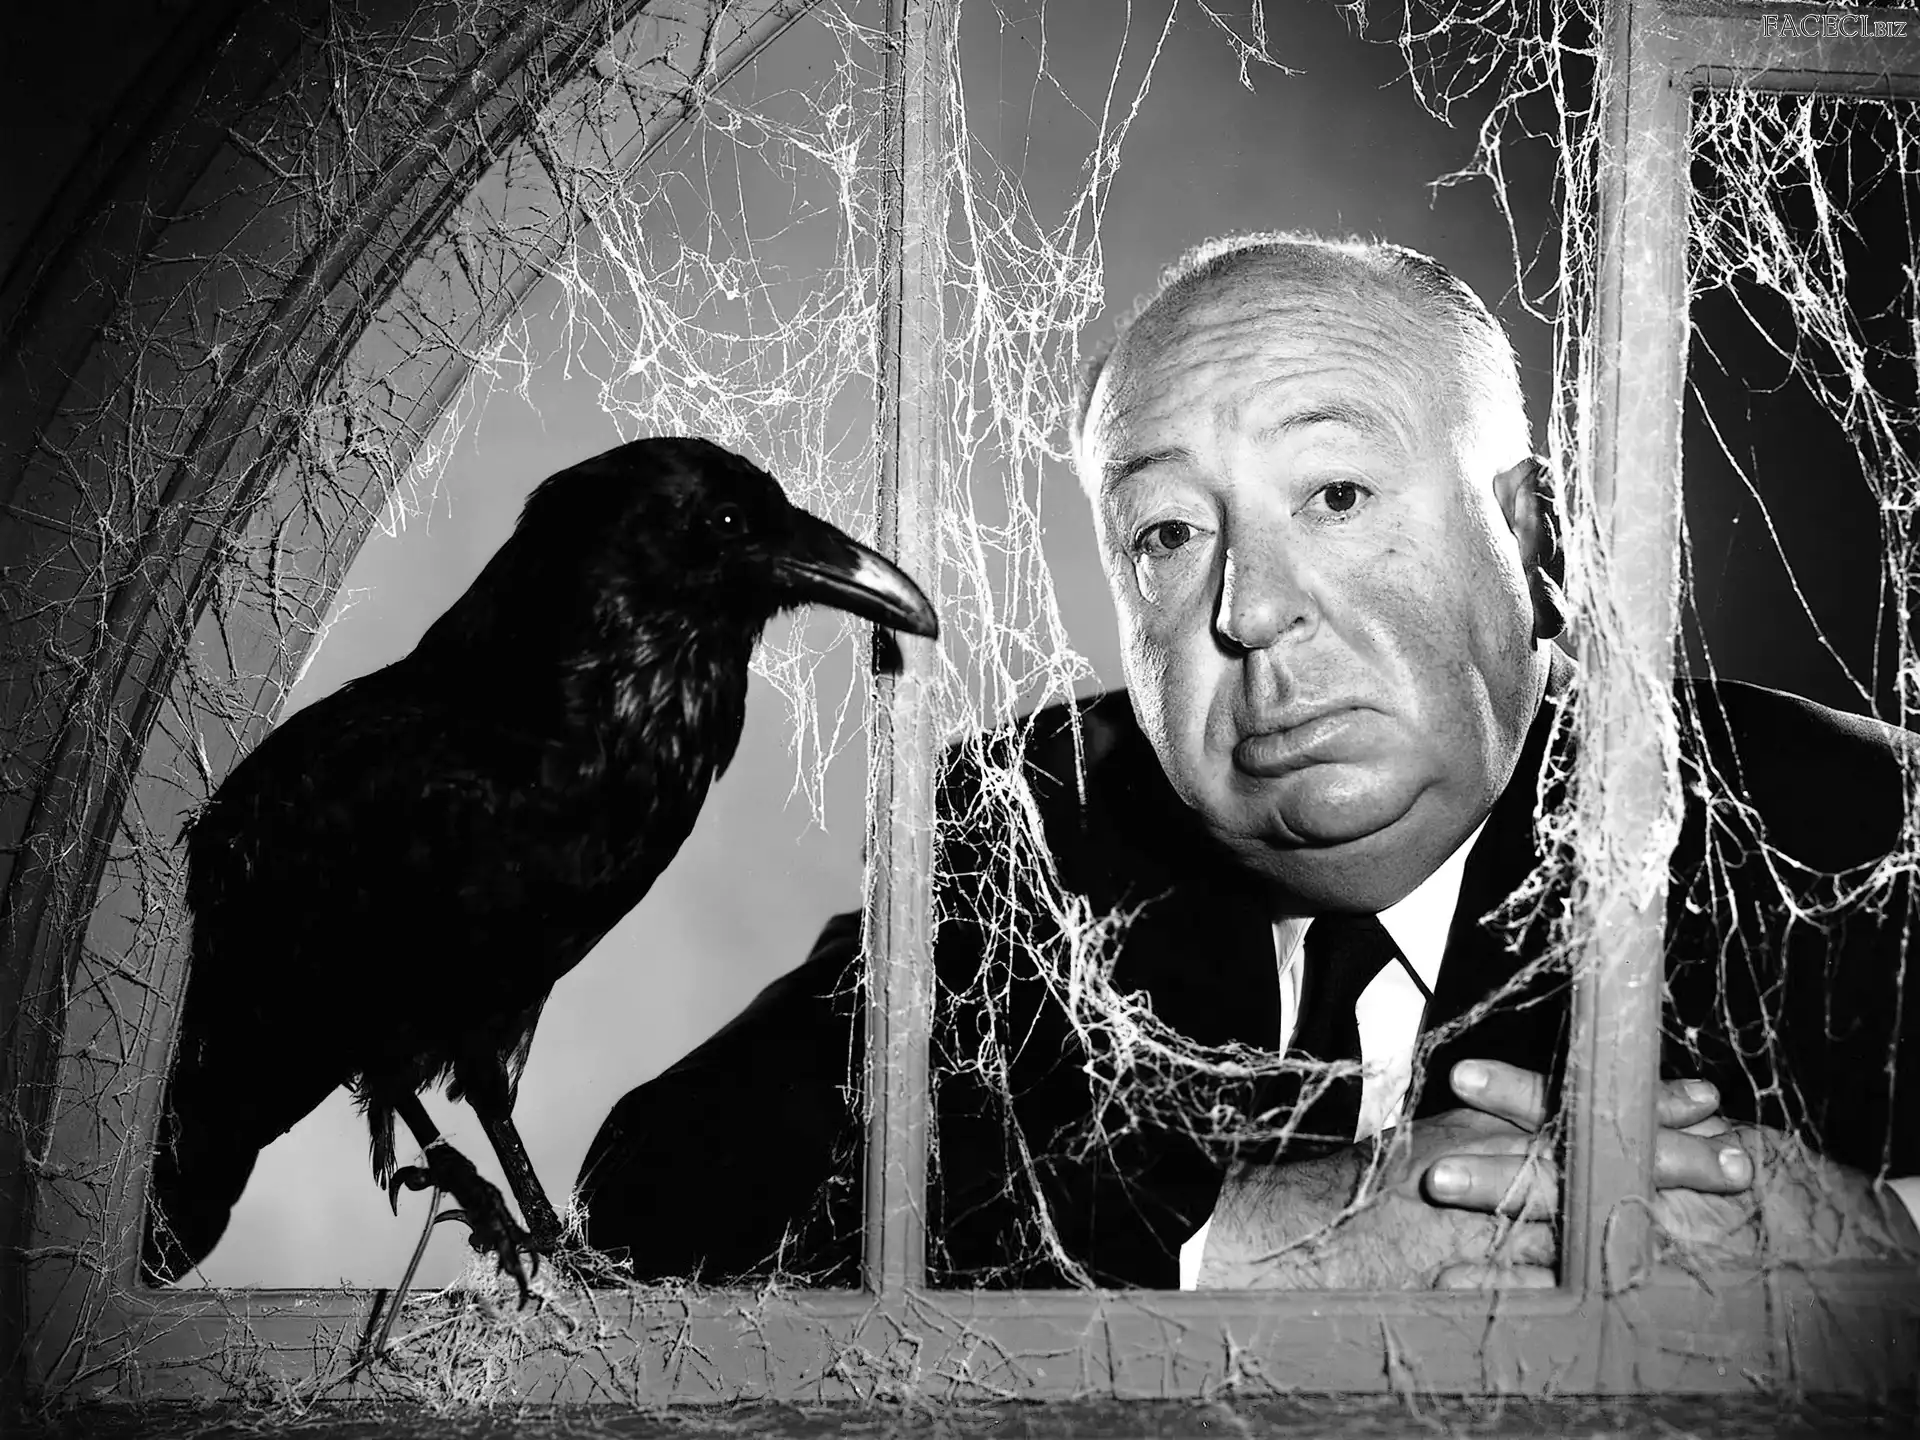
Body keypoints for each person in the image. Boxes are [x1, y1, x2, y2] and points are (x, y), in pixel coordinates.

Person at [576, 233, 1920, 1290]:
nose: (1252, 608)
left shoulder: (1844, 831)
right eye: (1168, 534)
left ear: (1534, 540)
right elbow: (654, 1202)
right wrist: (1245, 1245)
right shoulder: (1039, 832)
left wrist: (1882, 1255)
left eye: (1336, 495)